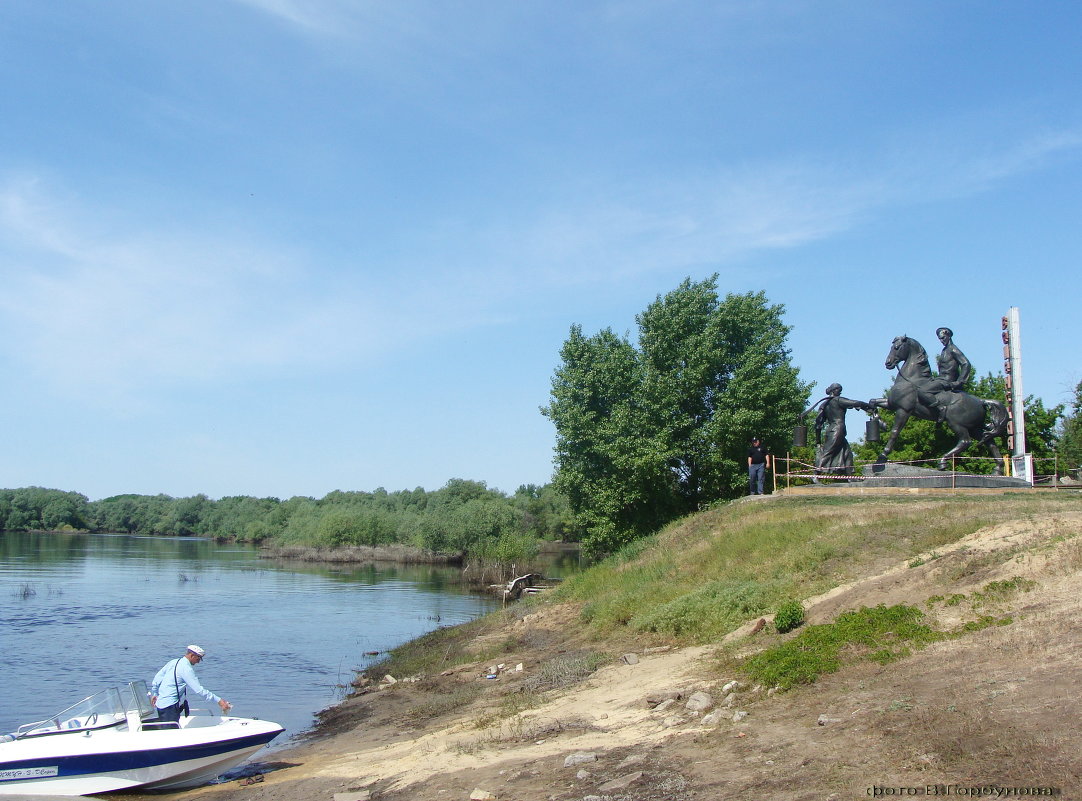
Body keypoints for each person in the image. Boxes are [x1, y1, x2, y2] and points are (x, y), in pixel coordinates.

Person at [150, 645, 232, 722]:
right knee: (171, 733)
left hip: (160, 704)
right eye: (199, 658)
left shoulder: (174, 662)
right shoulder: (186, 669)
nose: (198, 662)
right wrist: (219, 700)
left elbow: (157, 679)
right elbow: (199, 690)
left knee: (166, 729)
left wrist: (155, 693)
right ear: (192, 655)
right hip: (170, 706)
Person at [814, 383, 870, 478]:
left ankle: (850, 476)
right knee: (828, 452)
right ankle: (816, 474)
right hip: (838, 429)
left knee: (847, 453)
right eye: (839, 390)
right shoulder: (838, 400)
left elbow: (818, 424)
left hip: (831, 430)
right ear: (834, 390)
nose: (840, 392)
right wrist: (868, 405)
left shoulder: (824, 404)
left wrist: (818, 439)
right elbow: (855, 403)